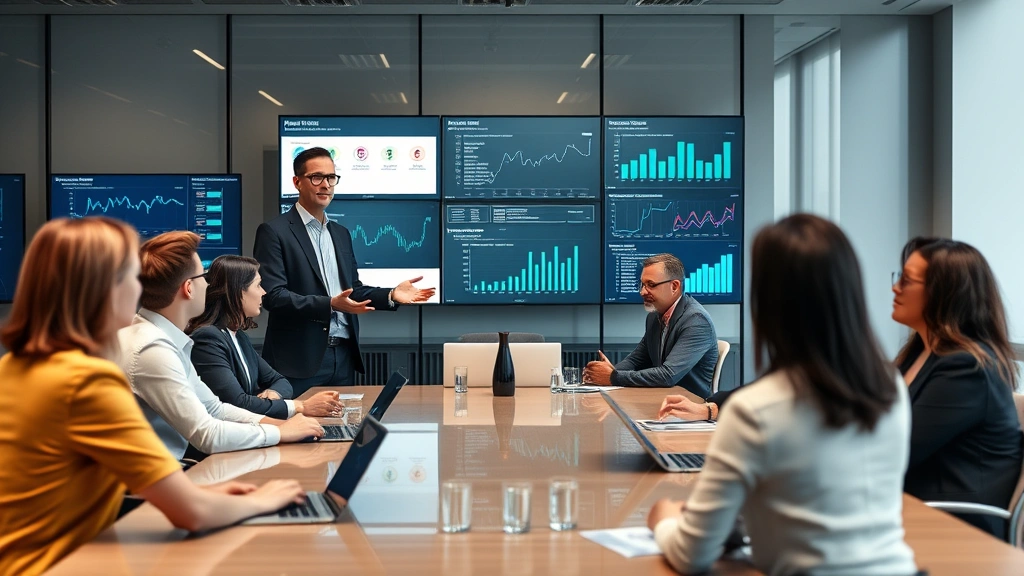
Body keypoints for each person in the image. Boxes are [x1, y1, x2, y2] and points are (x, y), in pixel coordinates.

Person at [0, 218, 305, 576]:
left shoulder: (14, 367)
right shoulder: (87, 381)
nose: (140, 289)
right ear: (105, 289)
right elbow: (191, 512)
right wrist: (263, 499)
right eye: (133, 277)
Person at [647, 214, 917, 576]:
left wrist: (663, 520)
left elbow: (692, 554)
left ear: (771, 303)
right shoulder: (890, 387)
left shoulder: (756, 410)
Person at [119, 231, 324, 462]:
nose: (209, 285)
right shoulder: (151, 349)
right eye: (204, 277)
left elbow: (216, 410)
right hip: (146, 488)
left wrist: (282, 426)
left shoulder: (165, 339)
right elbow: (207, 435)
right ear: (188, 288)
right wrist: (279, 432)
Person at [254, 147, 435, 396]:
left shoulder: (340, 233)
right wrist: (330, 304)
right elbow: (272, 296)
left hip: (344, 356)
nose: (325, 185)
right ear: (297, 182)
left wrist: (391, 294)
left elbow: (353, 290)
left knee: (342, 431)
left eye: (331, 178)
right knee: (298, 432)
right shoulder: (274, 232)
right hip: (298, 361)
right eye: (316, 177)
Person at [892, 237, 1022, 537]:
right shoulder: (919, 354)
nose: (895, 288)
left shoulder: (968, 368)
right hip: (909, 509)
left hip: (954, 527)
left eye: (907, 280)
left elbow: (896, 451)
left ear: (943, 294)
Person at [186, 255, 345, 420]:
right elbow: (237, 403)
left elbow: (280, 381)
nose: (264, 292)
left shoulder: (239, 336)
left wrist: (274, 392)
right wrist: (301, 406)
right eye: (258, 285)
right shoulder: (208, 338)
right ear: (237, 291)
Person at [584, 253, 718, 397]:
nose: (642, 292)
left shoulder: (696, 321)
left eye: (651, 285)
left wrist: (613, 377)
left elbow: (668, 375)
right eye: (642, 284)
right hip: (660, 400)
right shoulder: (654, 317)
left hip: (688, 409)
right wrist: (607, 372)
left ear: (674, 286)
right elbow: (636, 360)